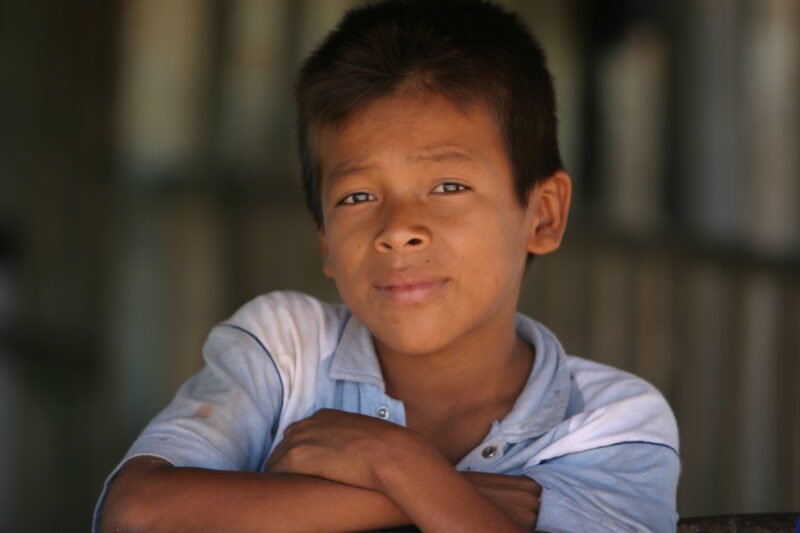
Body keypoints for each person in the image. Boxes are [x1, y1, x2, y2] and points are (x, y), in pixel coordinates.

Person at [95, 1, 680, 531]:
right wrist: (430, 489)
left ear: (543, 215)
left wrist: (393, 459)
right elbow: (139, 514)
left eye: (448, 185)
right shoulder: (286, 354)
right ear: (324, 238)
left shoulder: (611, 420)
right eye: (356, 197)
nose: (398, 229)